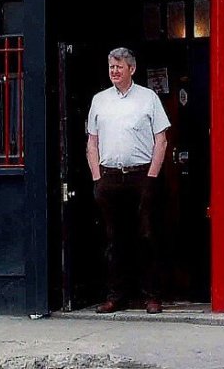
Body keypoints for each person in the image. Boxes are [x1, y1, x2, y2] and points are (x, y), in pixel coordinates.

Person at [86, 47, 169, 315]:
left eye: (119, 66)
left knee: (146, 235)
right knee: (113, 239)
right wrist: (97, 178)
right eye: (111, 66)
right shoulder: (99, 100)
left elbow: (161, 140)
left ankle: (152, 296)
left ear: (132, 69)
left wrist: (151, 178)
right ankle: (116, 296)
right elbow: (92, 142)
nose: (114, 71)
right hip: (110, 176)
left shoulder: (149, 98)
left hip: (140, 175)